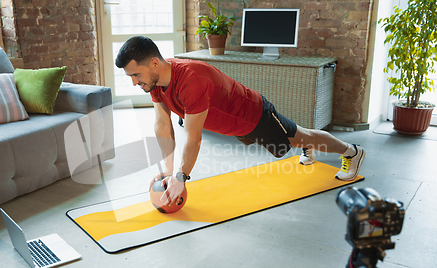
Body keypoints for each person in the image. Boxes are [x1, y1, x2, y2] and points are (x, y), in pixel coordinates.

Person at [115, 36, 365, 206]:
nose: (135, 82)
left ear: (154, 63)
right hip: (234, 125)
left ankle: (351, 152)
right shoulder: (156, 83)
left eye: (136, 74)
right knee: (292, 142)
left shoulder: (191, 81)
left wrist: (180, 178)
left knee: (302, 137)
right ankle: (306, 146)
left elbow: (193, 137)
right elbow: (162, 124)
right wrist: (168, 172)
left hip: (255, 115)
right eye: (130, 77)